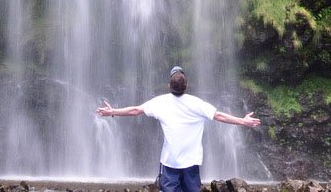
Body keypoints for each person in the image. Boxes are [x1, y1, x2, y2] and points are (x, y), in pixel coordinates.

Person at [95, 66, 260, 192]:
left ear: (169, 85)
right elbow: (220, 116)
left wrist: (112, 112)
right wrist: (243, 122)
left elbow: (135, 110)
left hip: (170, 163)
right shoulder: (197, 104)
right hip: (191, 163)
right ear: (186, 86)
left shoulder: (160, 103)